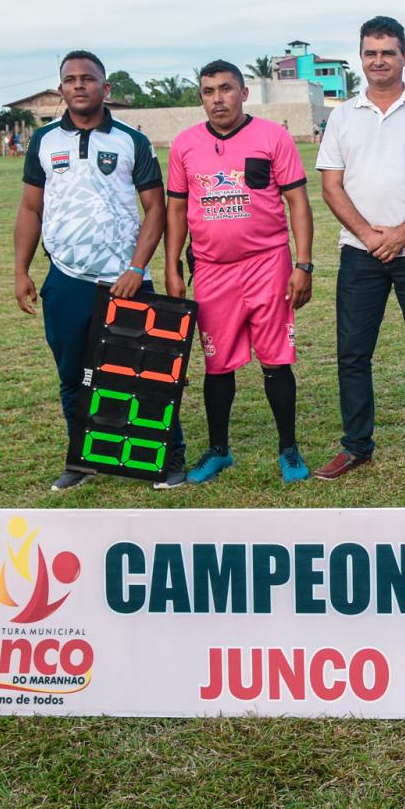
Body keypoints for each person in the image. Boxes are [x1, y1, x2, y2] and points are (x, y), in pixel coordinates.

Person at [13, 50, 184, 491]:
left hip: (125, 280)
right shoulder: (44, 141)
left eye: (87, 78)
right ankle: (81, 459)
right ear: (61, 88)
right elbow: (31, 207)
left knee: (144, 375)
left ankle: (168, 461)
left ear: (105, 89)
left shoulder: (131, 140)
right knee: (73, 375)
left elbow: (155, 209)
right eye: (69, 79)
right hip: (67, 278)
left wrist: (136, 267)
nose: (78, 85)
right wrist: (21, 270)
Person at [315, 16, 405, 479]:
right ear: (361, 57)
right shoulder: (341, 116)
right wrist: (370, 235)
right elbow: (332, 187)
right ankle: (356, 445)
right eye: (371, 52)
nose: (379, 60)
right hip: (360, 252)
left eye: (388, 52)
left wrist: (400, 234)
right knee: (353, 353)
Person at [163, 59, 314, 488]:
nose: (217, 99)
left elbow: (298, 204)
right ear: (201, 97)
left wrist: (303, 264)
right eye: (209, 91)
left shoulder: (273, 137)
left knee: (276, 361)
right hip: (211, 270)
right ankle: (219, 449)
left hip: (268, 264)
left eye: (226, 89)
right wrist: (173, 266)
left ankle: (288, 448)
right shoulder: (185, 145)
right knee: (217, 365)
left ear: (244, 93)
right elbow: (176, 209)